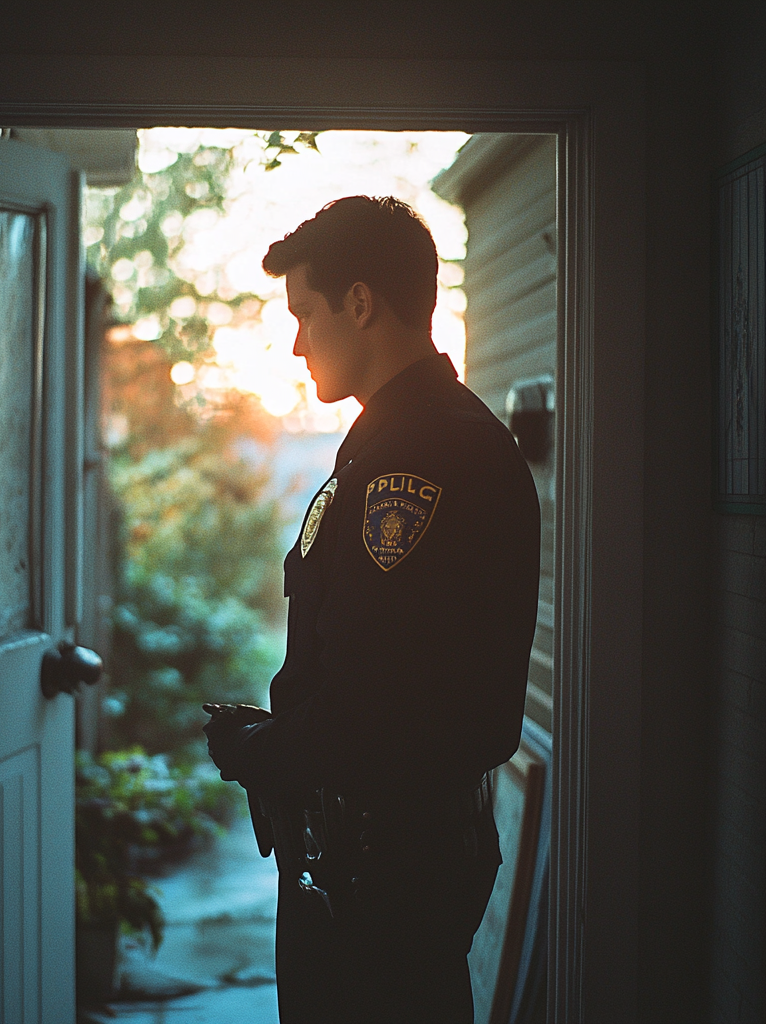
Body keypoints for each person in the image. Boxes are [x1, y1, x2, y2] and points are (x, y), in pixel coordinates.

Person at [203, 196, 541, 1023]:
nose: (295, 341)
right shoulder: (392, 437)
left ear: (361, 303)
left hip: (384, 872)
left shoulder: (423, 453)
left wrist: (258, 750)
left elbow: (376, 713)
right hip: (369, 860)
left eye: (306, 313)